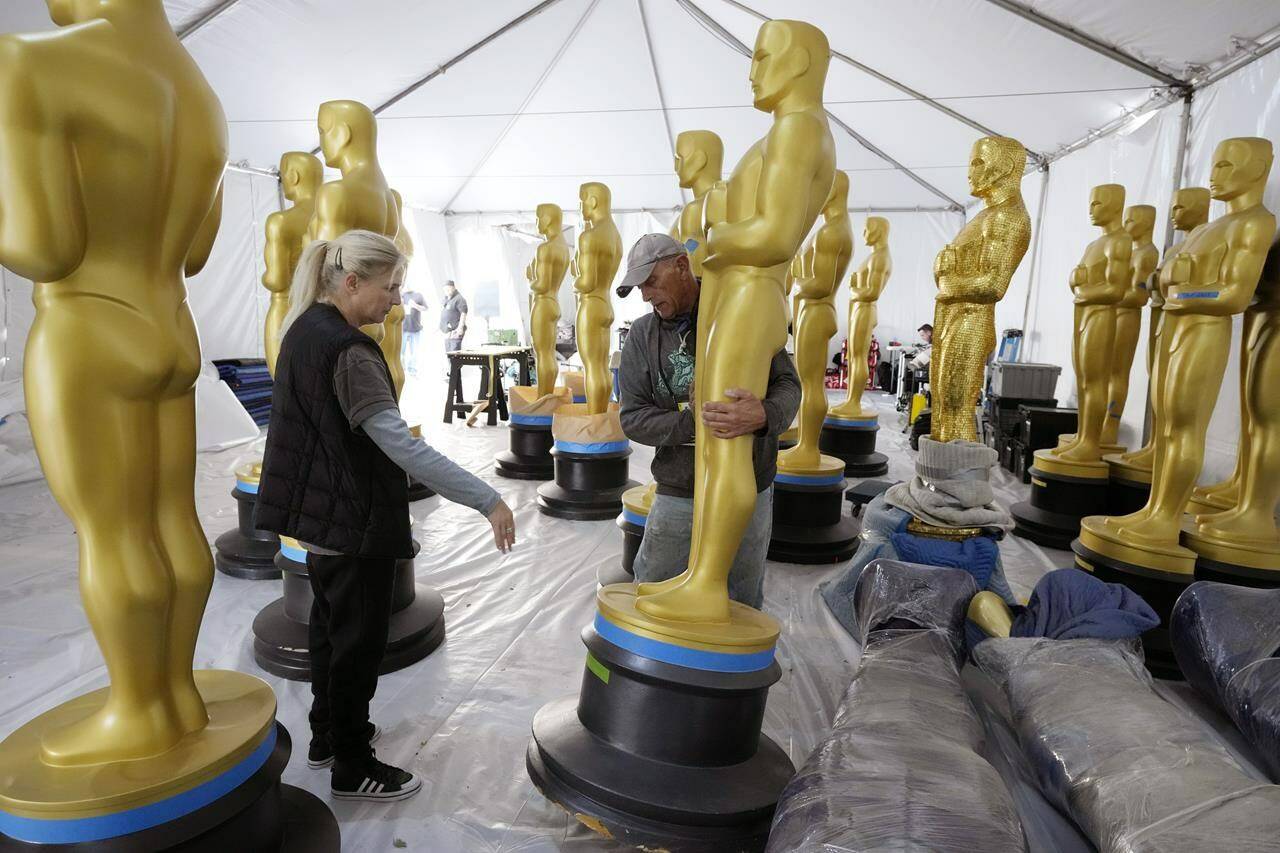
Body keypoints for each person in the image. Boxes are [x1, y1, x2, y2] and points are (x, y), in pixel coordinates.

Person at [255, 230, 516, 803]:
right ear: (351, 283)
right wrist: (486, 498)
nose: (397, 301)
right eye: (390, 288)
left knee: (329, 632)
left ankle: (327, 737)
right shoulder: (349, 352)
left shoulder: (302, 329)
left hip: (318, 521)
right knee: (355, 648)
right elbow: (404, 447)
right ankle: (352, 764)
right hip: (352, 523)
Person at [616, 234, 800, 609]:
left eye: (650, 282)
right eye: (639, 288)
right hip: (680, 487)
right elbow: (632, 417)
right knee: (651, 587)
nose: (646, 296)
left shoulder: (740, 314)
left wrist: (764, 413)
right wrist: (695, 423)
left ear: (681, 266)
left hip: (749, 483)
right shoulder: (641, 335)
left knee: (740, 600)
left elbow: (789, 384)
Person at [400, 287, 428, 375]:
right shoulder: (401, 295)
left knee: (414, 351)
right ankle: (401, 369)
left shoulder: (418, 295)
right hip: (402, 328)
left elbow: (425, 308)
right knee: (400, 350)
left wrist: (415, 306)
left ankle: (412, 369)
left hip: (415, 328)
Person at [440, 279, 468, 353]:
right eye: (445, 290)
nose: (447, 291)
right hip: (447, 332)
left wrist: (460, 328)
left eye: (448, 289)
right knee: (448, 353)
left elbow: (463, 313)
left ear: (454, 288)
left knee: (455, 353)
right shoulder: (447, 298)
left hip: (455, 331)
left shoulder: (459, 298)